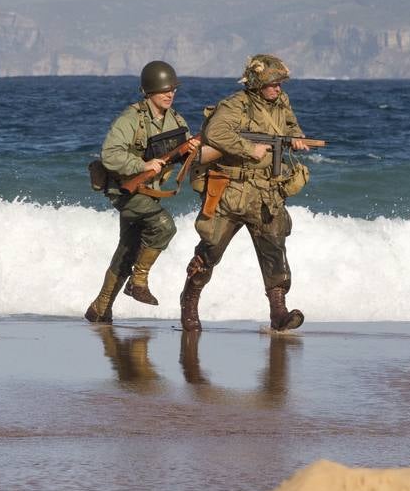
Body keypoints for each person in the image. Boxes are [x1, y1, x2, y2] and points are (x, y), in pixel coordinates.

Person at [179, 55, 311, 333]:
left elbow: (290, 127)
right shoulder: (235, 105)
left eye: (280, 83)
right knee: (211, 249)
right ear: (257, 83)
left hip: (266, 192)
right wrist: (249, 149)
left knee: (274, 250)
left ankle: (279, 313)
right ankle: (189, 302)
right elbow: (215, 133)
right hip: (233, 191)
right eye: (272, 84)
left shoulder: (281, 103)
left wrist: (296, 138)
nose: (277, 88)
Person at [85, 60, 199, 322]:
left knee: (128, 248)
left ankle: (100, 308)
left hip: (149, 190)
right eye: (164, 91)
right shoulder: (131, 119)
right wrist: (142, 164)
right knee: (164, 226)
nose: (170, 94)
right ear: (149, 93)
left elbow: (179, 154)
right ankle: (138, 282)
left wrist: (189, 153)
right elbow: (110, 154)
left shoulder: (176, 120)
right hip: (125, 191)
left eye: (173, 90)